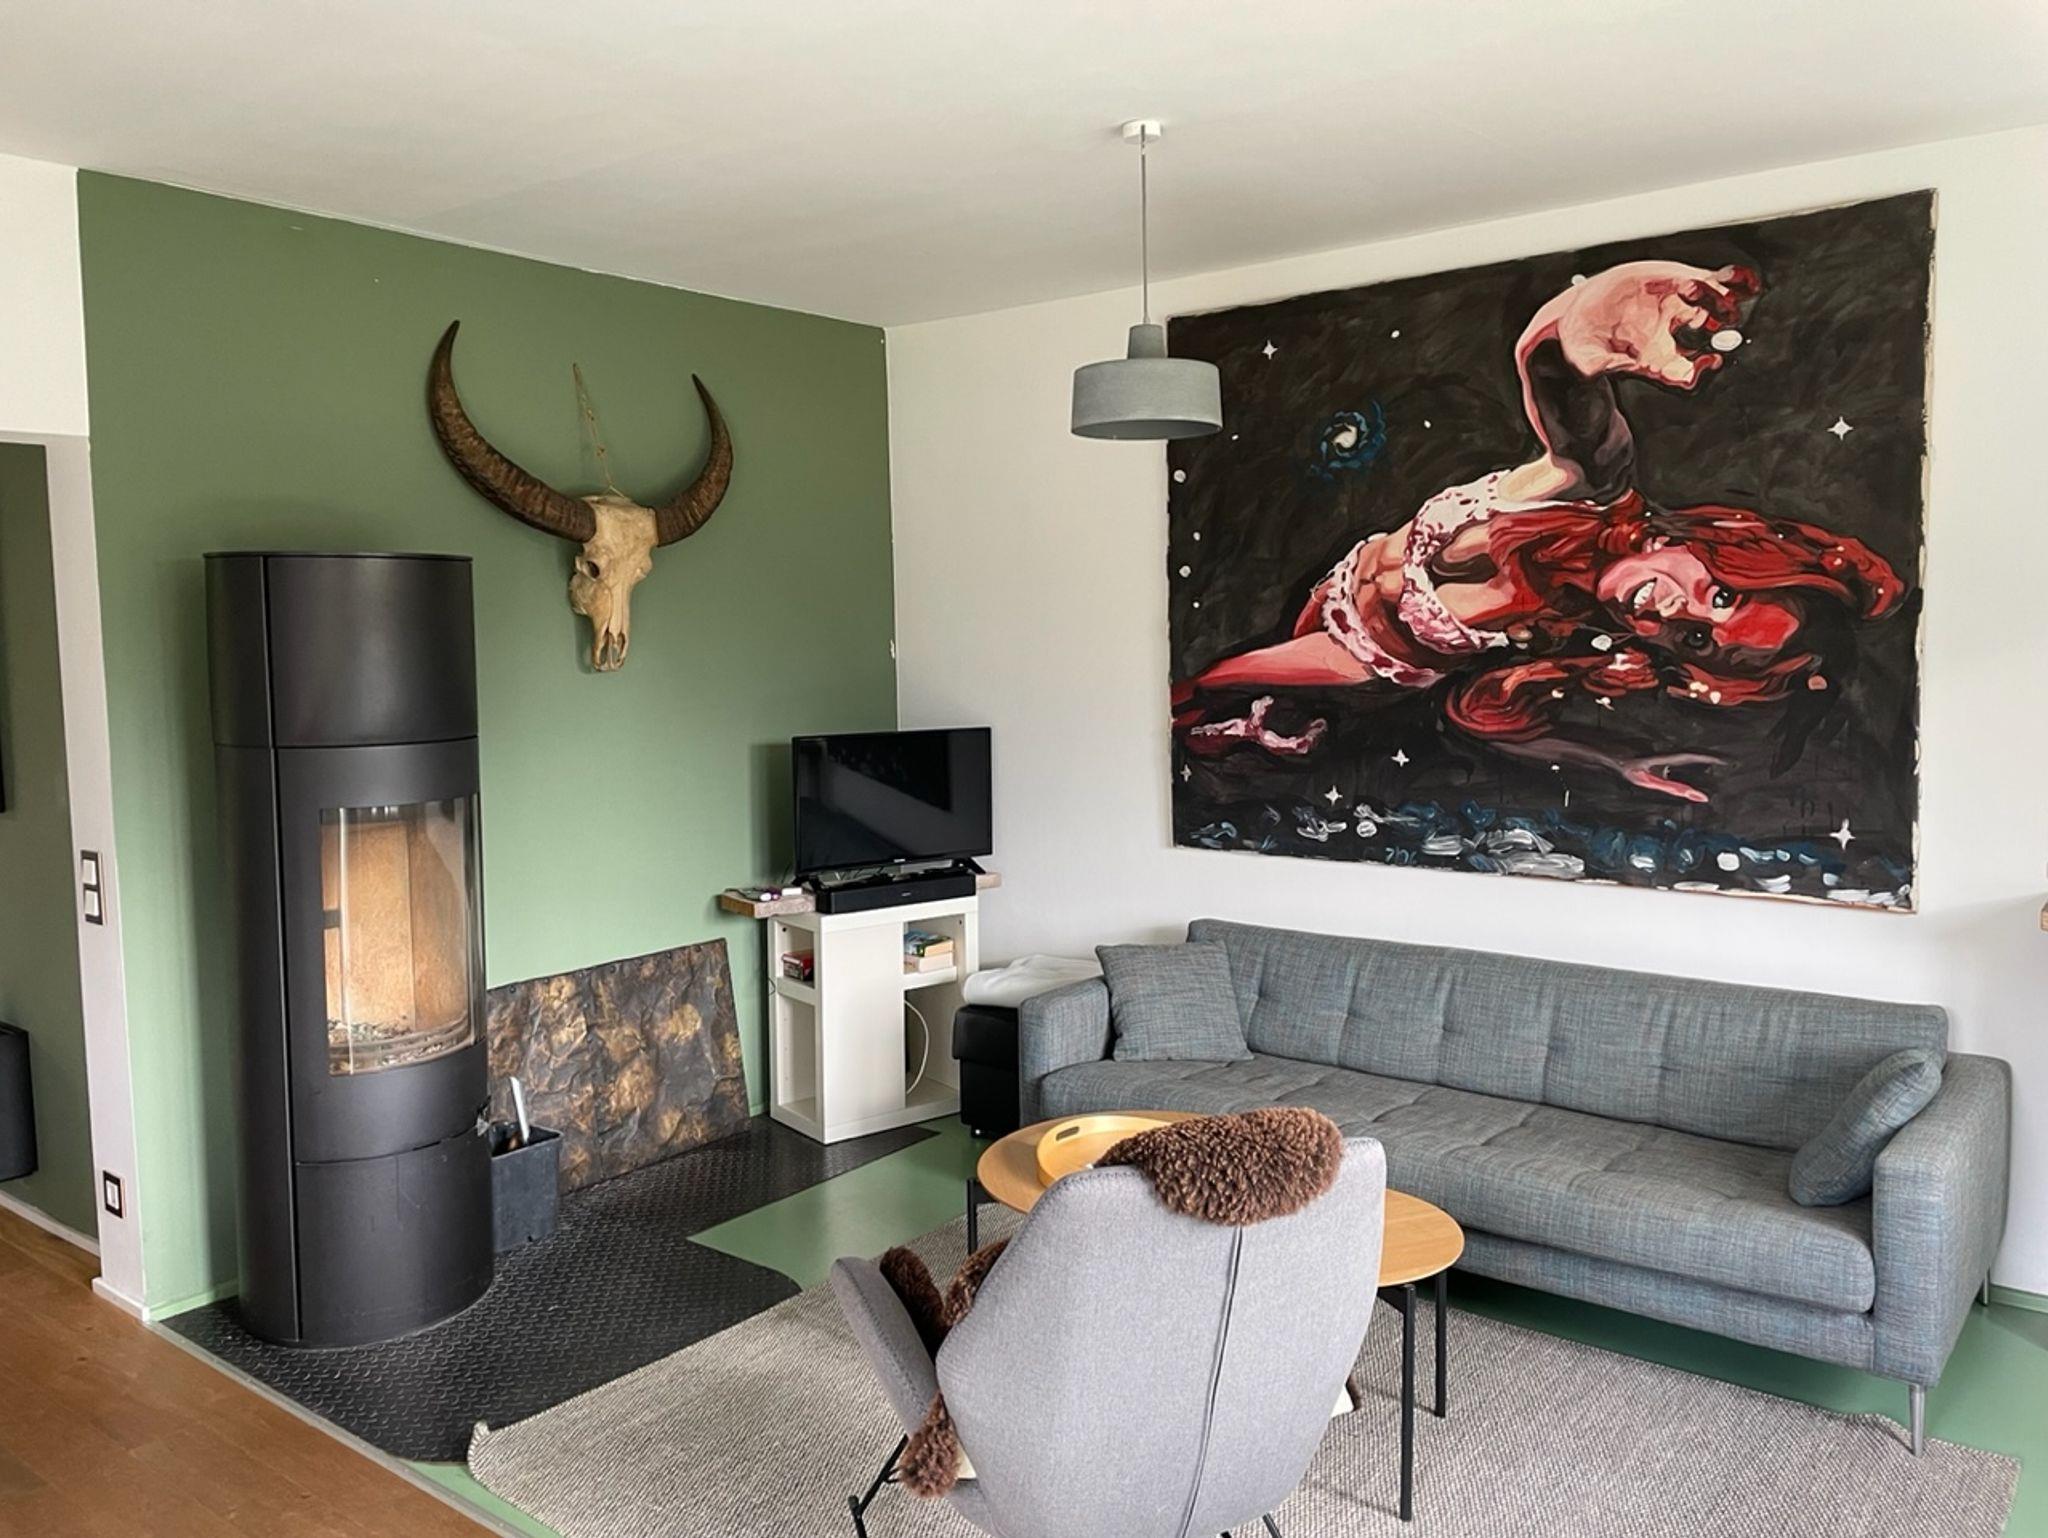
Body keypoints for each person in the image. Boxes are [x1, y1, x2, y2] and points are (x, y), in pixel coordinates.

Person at [1171, 261, 1905, 804]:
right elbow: (1549, 362)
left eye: (1696, 640)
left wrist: (1611, 763)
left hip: (1361, 657)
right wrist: (1614, 310)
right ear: (1720, 550)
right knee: (1247, 714)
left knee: (1197, 691)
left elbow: (1485, 716)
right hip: (1338, 583)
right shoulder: (1594, 488)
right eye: (1718, 595)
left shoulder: (1571, 636)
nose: (1676, 612)